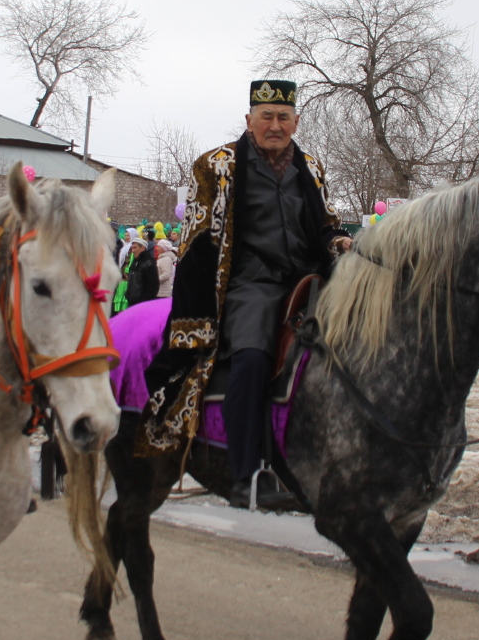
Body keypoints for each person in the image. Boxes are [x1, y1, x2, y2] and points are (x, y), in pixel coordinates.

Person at [140, 80, 351, 509]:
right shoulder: (216, 166)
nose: (275, 125)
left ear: (295, 121)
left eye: (283, 117)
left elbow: (327, 225)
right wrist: (195, 313)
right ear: (249, 119)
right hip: (248, 285)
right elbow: (197, 242)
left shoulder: (310, 167)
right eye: (266, 116)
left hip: (307, 283)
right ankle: (245, 475)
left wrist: (340, 245)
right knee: (253, 358)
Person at [125, 228, 161, 307]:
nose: (133, 251)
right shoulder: (135, 262)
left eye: (135, 248)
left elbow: (153, 286)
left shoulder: (149, 263)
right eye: (132, 248)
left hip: (142, 304)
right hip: (132, 302)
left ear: (143, 248)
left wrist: (144, 302)